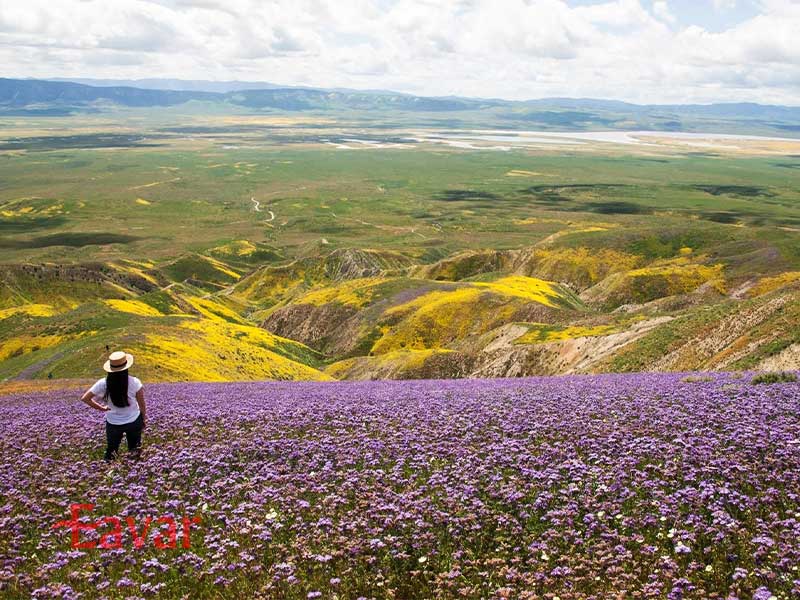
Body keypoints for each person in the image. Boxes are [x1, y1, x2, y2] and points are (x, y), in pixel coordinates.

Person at [80, 351, 146, 461]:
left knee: (111, 451)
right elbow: (142, 405)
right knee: (135, 450)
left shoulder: (103, 383)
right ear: (126, 367)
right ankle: (135, 472)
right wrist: (143, 419)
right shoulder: (135, 382)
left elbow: (85, 398)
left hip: (113, 423)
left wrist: (101, 408)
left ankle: (109, 473)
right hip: (134, 420)